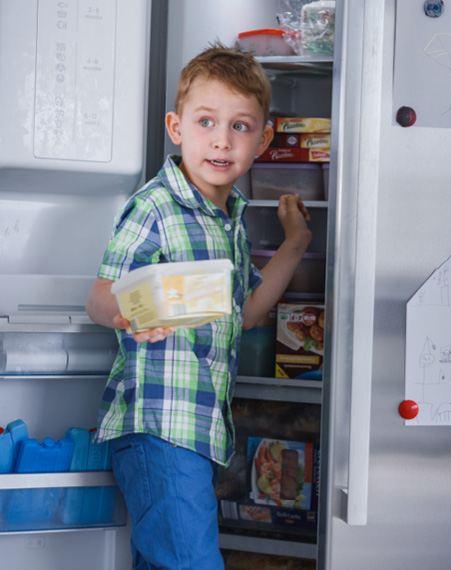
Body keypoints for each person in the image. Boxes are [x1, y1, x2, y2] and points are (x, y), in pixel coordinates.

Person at [85, 43, 312, 570]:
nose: (222, 139)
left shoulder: (228, 219)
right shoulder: (156, 206)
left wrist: (296, 242)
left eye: (241, 126)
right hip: (158, 426)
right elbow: (99, 294)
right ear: (176, 127)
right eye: (206, 121)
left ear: (263, 138)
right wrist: (126, 315)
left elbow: (248, 312)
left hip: (197, 430)